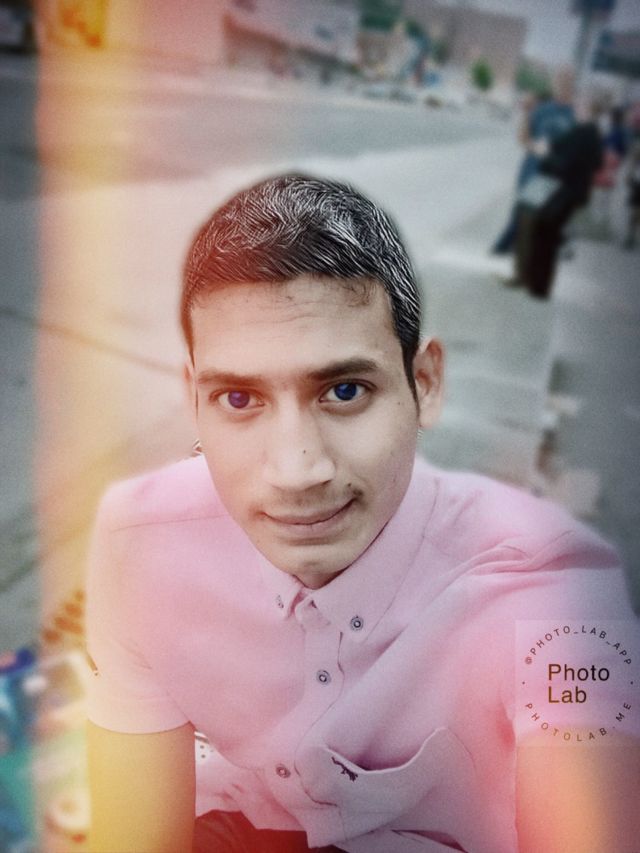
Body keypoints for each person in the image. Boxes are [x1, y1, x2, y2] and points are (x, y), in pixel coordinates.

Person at [85, 175, 639, 853]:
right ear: (195, 400)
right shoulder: (140, 544)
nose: (296, 471)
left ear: (424, 383)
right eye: (239, 399)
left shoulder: (555, 585)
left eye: (344, 391)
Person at [513, 98, 603, 299]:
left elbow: (563, 163)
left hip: (563, 192)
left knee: (545, 235)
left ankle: (538, 286)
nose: (576, 109)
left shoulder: (582, 132)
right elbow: (596, 162)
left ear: (587, 110)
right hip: (574, 193)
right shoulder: (592, 134)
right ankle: (538, 284)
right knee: (548, 235)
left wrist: (545, 155)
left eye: (580, 106)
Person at [491, 68, 575, 256]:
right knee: (524, 213)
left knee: (530, 216)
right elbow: (522, 137)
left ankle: (505, 250)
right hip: (532, 169)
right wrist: (534, 145)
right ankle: (506, 250)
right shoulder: (542, 110)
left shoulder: (574, 115)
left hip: (554, 174)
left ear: (572, 86)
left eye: (567, 82)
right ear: (554, 84)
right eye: (560, 81)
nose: (563, 85)